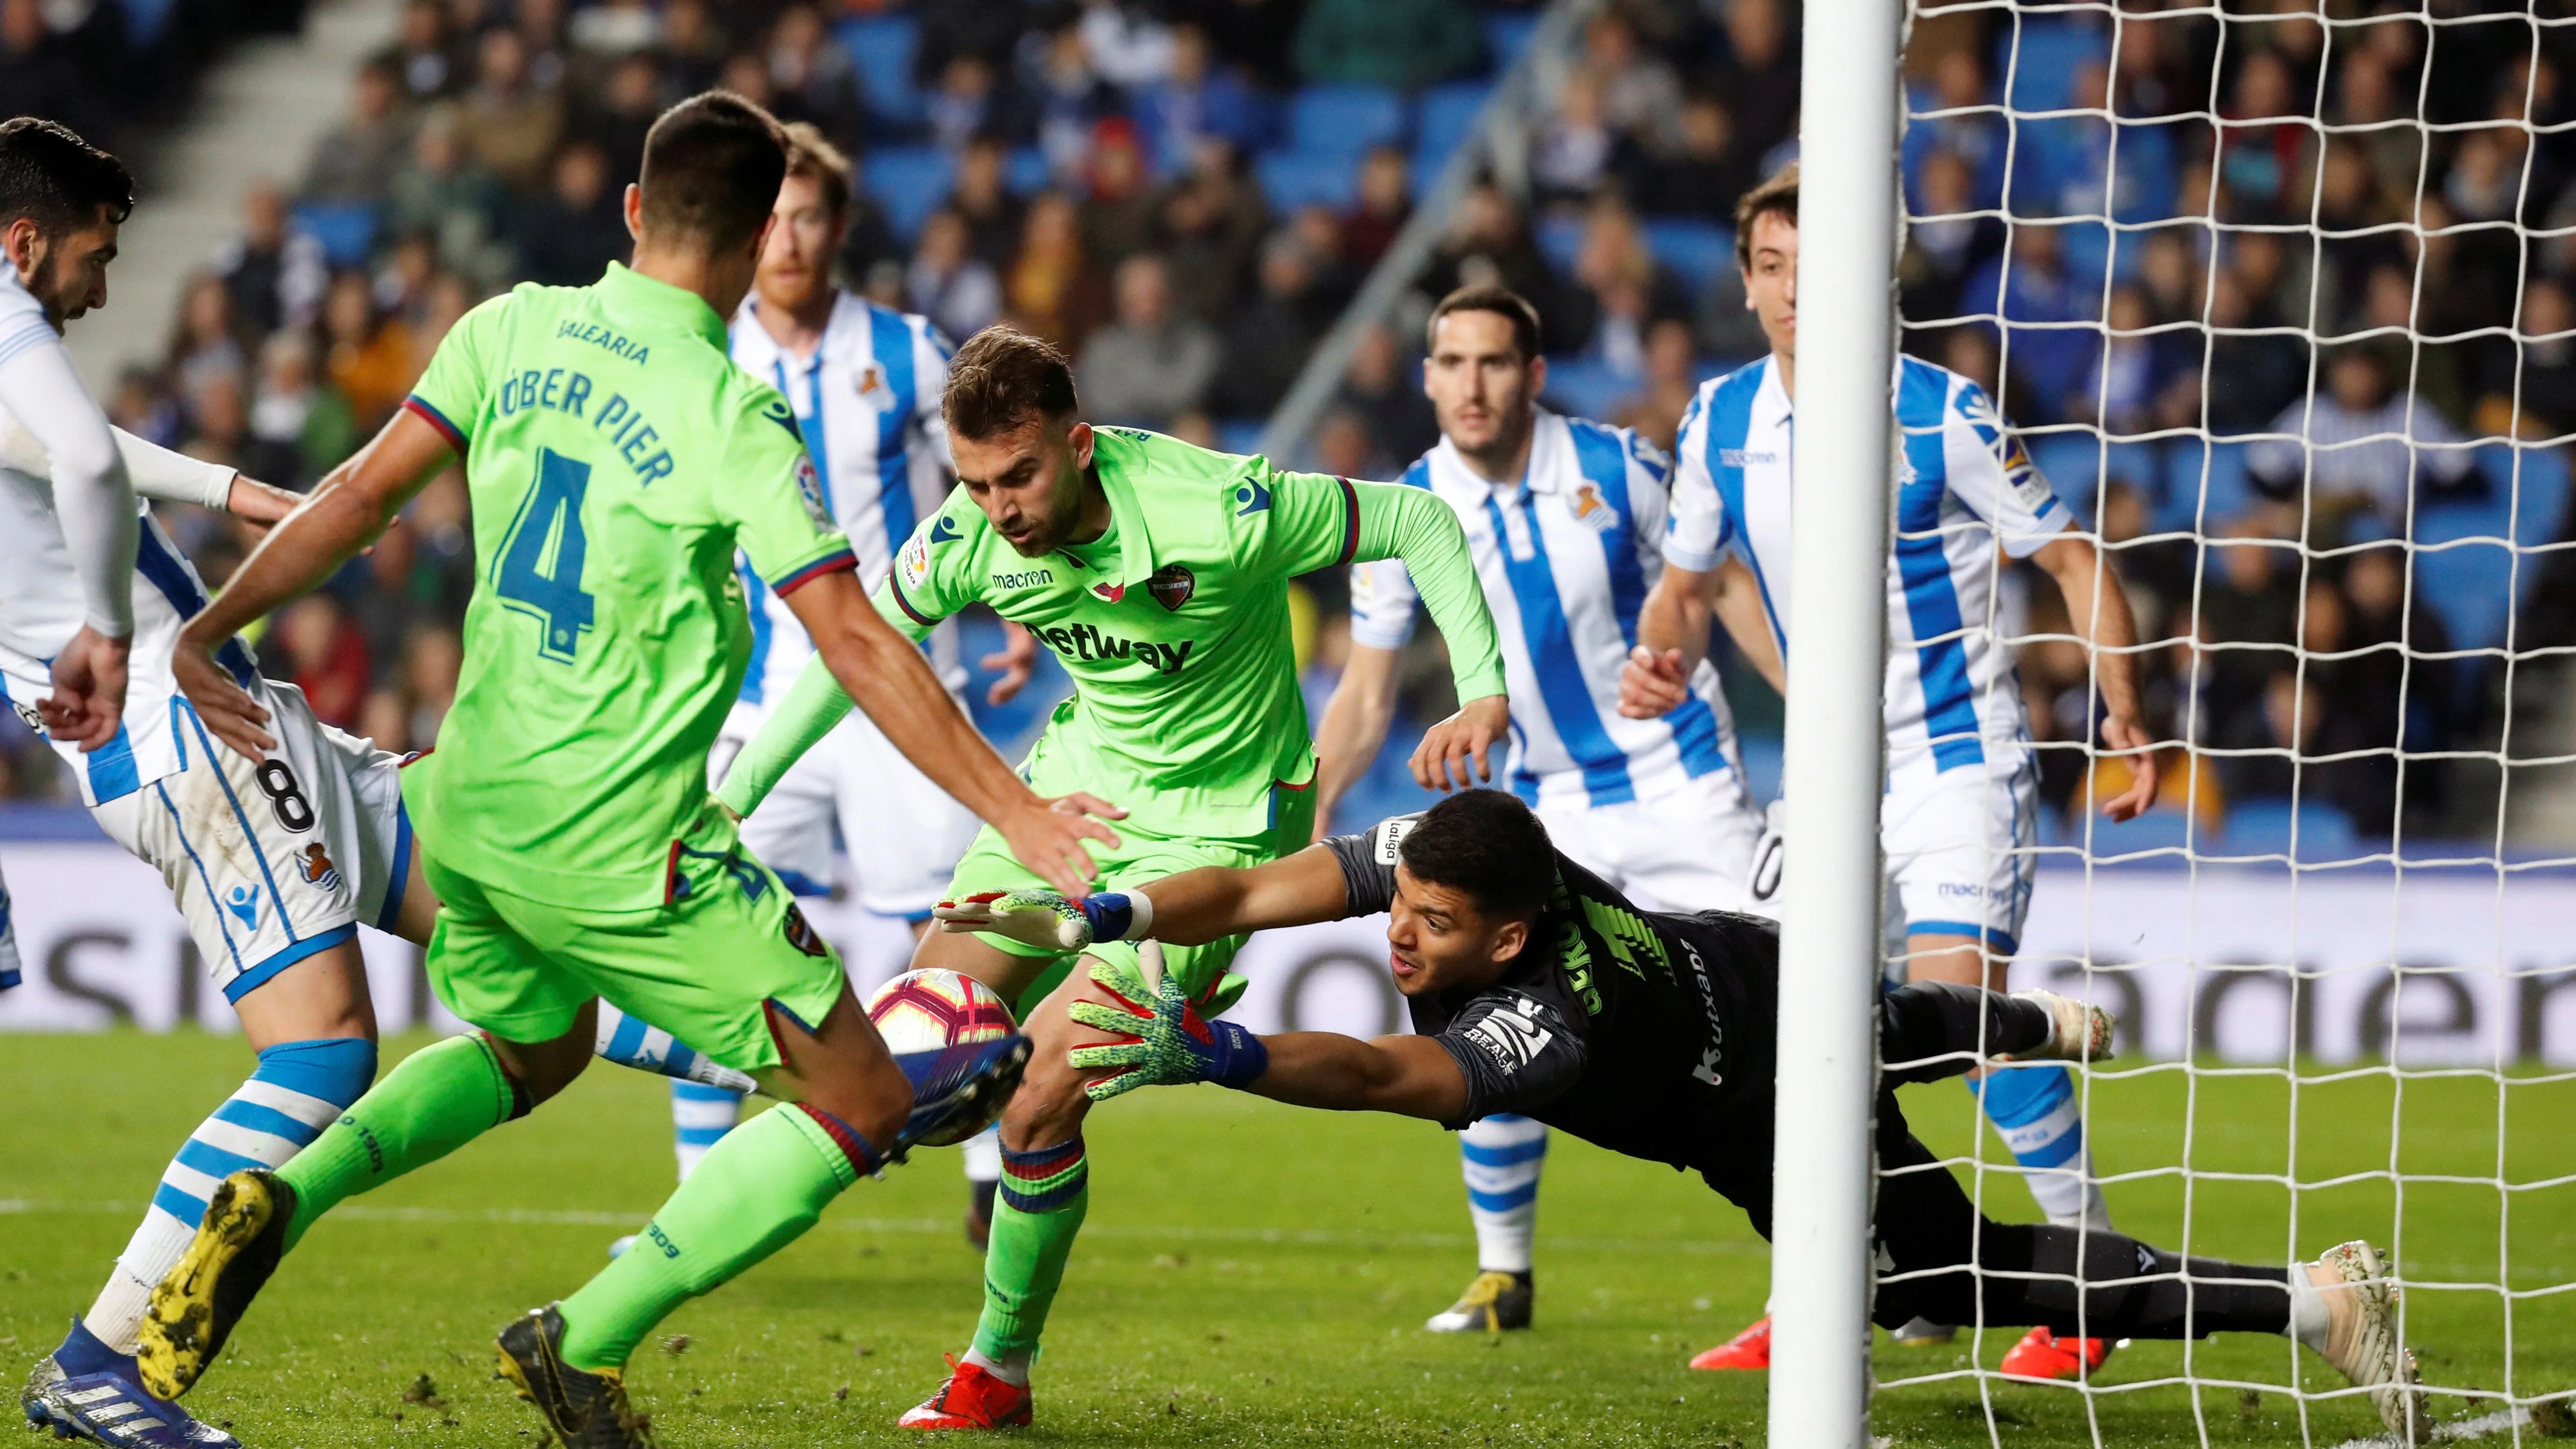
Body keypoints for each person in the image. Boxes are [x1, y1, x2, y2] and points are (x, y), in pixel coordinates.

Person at [134, 92, 1119, 1448]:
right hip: (622, 844)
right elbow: (856, 639)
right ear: (762, 229)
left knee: (541, 1046)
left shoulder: (507, 328)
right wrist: (1019, 813)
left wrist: (207, 626)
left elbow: (355, 498)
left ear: (637, 210)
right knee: (867, 1099)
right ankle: (579, 1340)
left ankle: (281, 1194)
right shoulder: (731, 415)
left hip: (467, 807)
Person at [1, 119, 749, 1449]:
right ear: (20, 242)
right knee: (325, 1048)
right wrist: (116, 636)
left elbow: (75, 447)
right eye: (94, 258)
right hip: (183, 729)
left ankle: (746, 1047)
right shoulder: (5, 327)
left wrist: (231, 489)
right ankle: (97, 1361)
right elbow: (83, 457)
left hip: (233, 723)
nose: (103, 289)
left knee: (492, 901)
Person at [937, 790, 2433, 1443]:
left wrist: (1219, 1050)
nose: (1403, 934)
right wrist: (1120, 907)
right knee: (1879, 1022)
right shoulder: (1472, 852)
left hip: (1757, 1097)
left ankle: (2311, 1299)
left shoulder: (1549, 1025)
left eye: (1436, 925)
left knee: (1934, 1272)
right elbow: (1263, 885)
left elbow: (1405, 1080)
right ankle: (2031, 1022)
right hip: (1756, 964)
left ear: (1511, 939)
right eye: (1405, 905)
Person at [713, 324, 1514, 1429]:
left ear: (1080, 446)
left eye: (1021, 475)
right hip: (1075, 804)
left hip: (1221, 833)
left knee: (1042, 1092)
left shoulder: (1217, 508)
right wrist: (737, 794)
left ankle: (997, 1368)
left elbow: (1417, 518)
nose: (999, 506)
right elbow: (854, 650)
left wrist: (1478, 685)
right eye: (977, 481)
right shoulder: (971, 534)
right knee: (920, 1022)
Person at [1619, 163, 2162, 1379]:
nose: (1796, 288)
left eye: (1822, 265)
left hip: (1956, 759)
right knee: (1784, 1038)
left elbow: (2070, 557)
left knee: (1959, 1024)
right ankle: (1860, 1281)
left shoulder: (1943, 411)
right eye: (1773, 266)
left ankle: (2090, 1278)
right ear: (1749, 282)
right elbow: (1688, 583)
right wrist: (1662, 654)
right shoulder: (1718, 420)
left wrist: (2125, 710)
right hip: (1825, 771)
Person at [1310, 284, 1770, 1335]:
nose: (1473, 385)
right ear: (1425, 377)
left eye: (1495, 363)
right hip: (1535, 811)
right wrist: (1315, 806)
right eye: (1452, 363)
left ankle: (1851, 1267)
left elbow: (1724, 586)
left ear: (1534, 375)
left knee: (1796, 1020)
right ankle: (1502, 1271)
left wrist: (1815, 707)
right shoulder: (1403, 512)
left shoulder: (1618, 467)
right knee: (1495, 1016)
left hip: (1676, 781)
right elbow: (1367, 693)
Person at [655, 122, 1040, 1250]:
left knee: (948, 922)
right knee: (701, 923)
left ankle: (983, 1175)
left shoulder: (912, 350)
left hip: (895, 688)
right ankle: (697, 1189)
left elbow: (989, 485)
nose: (788, 239)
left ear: (840, 228)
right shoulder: (705, 353)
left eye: (810, 216)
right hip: (755, 700)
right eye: (770, 218)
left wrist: (1008, 611)